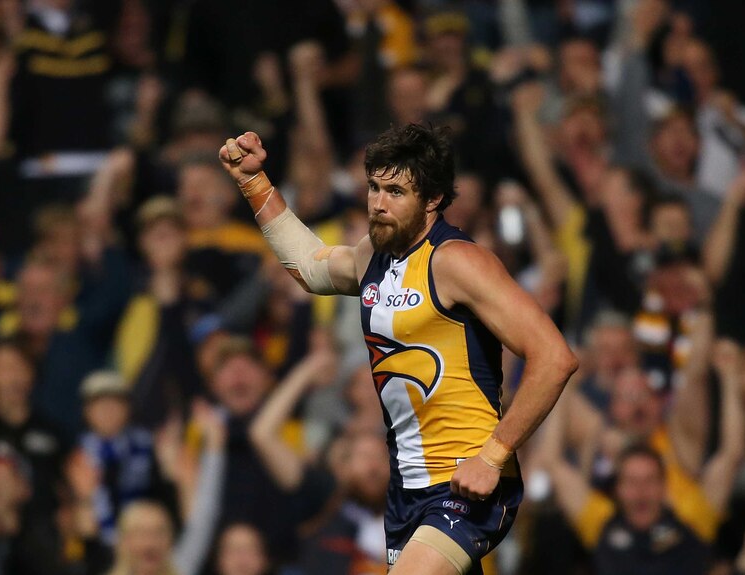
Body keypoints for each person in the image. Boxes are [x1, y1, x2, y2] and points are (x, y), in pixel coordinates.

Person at [218, 124, 578, 575]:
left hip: (467, 484)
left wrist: (492, 456)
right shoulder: (376, 255)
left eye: (395, 191)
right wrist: (254, 183)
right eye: (373, 187)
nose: (378, 203)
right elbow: (310, 268)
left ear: (432, 199)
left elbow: (555, 357)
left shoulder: (458, 261)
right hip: (407, 489)